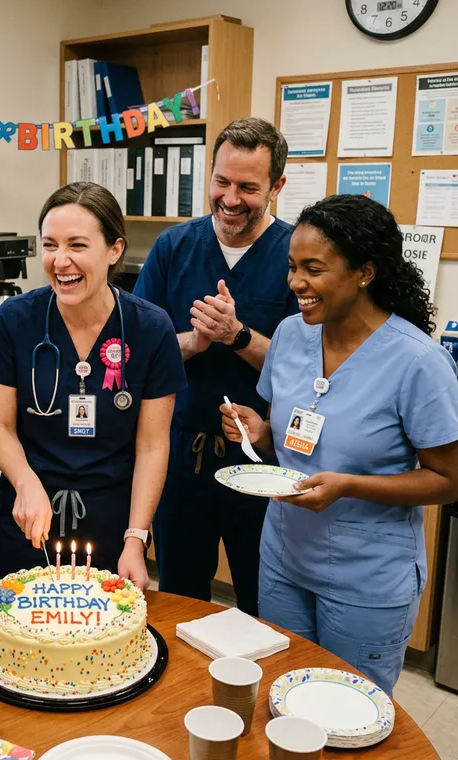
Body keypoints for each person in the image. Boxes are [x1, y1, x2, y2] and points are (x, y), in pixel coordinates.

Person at [221, 194, 458, 695]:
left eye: (313, 269)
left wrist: (349, 485)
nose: (295, 284)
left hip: (366, 575)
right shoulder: (290, 335)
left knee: (348, 711)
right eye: (291, 267)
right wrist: (256, 433)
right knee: (284, 696)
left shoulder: (418, 362)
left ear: (364, 273)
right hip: (284, 557)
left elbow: (448, 480)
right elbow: (280, 435)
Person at [0, 182, 186, 589]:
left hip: (112, 524)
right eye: (50, 245)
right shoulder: (15, 320)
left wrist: (136, 537)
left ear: (114, 250)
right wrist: (26, 484)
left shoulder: (150, 328)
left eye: (77, 245)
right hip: (28, 518)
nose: (60, 261)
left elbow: (152, 444)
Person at [134, 117, 297, 615]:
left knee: (262, 598)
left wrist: (239, 336)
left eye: (248, 187)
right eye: (221, 181)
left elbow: (311, 368)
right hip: (182, 454)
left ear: (276, 187)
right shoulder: (173, 248)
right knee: (181, 598)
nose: (230, 198)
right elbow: (140, 353)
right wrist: (196, 340)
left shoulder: (297, 255)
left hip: (261, 457)